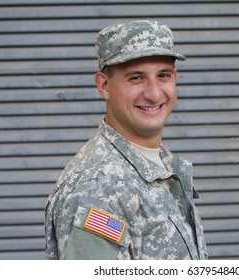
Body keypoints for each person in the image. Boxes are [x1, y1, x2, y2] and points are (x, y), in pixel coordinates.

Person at [45, 20, 208, 260]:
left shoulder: (159, 163)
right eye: (136, 78)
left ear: (175, 78)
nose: (154, 94)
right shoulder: (97, 187)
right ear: (104, 85)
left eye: (163, 75)